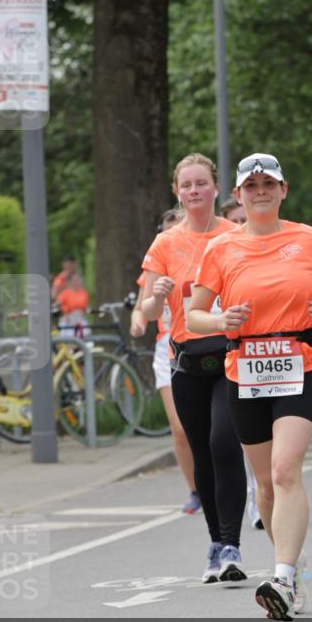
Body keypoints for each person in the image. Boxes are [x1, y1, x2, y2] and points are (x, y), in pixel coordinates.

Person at [188, 153, 312, 621]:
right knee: (266, 486)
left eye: (268, 183)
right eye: (251, 185)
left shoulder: (308, 237)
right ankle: (291, 576)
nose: (260, 191)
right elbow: (194, 315)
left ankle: (279, 575)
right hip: (246, 369)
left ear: (283, 190)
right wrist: (219, 319)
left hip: (301, 362)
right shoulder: (220, 249)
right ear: (238, 194)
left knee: (283, 469)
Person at [140, 154, 247, 583]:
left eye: (201, 183)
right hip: (186, 360)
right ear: (177, 192)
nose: (194, 191)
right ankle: (215, 543)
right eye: (187, 185)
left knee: (225, 442)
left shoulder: (236, 235)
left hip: (230, 357)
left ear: (216, 189)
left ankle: (233, 545)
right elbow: (148, 310)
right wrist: (157, 293)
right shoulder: (165, 244)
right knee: (200, 450)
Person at [131, 208, 200, 514]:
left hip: (204, 342)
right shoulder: (156, 264)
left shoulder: (203, 256)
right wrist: (138, 320)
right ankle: (196, 490)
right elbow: (141, 308)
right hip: (168, 347)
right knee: (181, 428)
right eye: (168, 230)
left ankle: (226, 481)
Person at [220, 194, 263, 530]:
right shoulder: (222, 251)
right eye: (232, 221)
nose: (238, 226)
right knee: (231, 438)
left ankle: (263, 496)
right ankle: (256, 496)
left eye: (241, 220)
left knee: (272, 449)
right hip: (225, 353)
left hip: (264, 356)